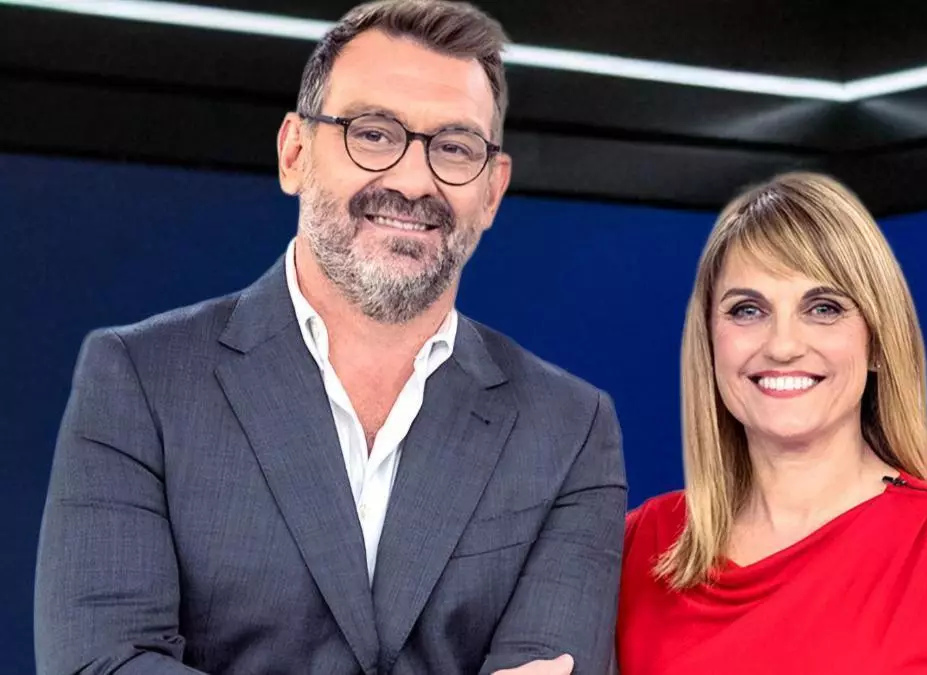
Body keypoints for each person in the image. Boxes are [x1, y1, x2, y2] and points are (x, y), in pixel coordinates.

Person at [34, 2, 625, 674]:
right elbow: (101, 664)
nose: (413, 181)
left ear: (491, 191)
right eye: (373, 133)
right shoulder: (141, 380)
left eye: (455, 148)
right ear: (295, 153)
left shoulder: (570, 428)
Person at [616, 172, 927, 674]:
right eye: (748, 310)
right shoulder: (635, 546)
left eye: (823, 308)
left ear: (877, 341)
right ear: (710, 341)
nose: (783, 345)